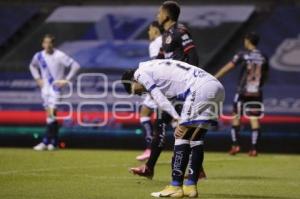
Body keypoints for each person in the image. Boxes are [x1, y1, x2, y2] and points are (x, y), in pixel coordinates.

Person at [122, 59, 225, 197]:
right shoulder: (154, 66)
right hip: (216, 87)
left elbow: (159, 98)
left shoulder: (140, 73)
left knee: (180, 136)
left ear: (132, 81)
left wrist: (177, 118)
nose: (141, 94)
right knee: (196, 139)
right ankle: (190, 186)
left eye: (137, 92)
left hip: (199, 88)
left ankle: (175, 186)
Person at [130, 0, 206, 180]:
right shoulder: (165, 36)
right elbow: (159, 60)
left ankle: (193, 170)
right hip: (171, 89)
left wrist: (191, 82)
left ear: (166, 15)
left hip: (183, 87)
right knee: (165, 125)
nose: (157, 15)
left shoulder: (181, 30)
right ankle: (151, 168)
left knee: (180, 127)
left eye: (159, 12)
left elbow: (193, 55)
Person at [214, 32, 268, 157]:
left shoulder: (243, 54)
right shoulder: (263, 56)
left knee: (236, 116)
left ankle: (235, 145)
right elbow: (265, 75)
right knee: (254, 118)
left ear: (248, 41)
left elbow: (229, 66)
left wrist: (215, 77)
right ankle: (254, 148)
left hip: (242, 91)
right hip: (256, 92)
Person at [30, 34, 80, 151]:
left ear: (53, 44)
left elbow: (76, 66)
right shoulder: (39, 56)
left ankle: (46, 141)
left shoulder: (59, 55)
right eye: (45, 43)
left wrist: (66, 80)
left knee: (51, 115)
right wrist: (38, 79)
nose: (47, 45)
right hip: (45, 90)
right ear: (43, 44)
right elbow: (32, 66)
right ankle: (54, 142)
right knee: (51, 116)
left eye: (50, 43)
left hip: (56, 89)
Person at [136, 21, 163, 161]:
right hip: (169, 82)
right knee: (170, 117)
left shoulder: (155, 44)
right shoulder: (166, 40)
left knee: (146, 113)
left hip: (159, 84)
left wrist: (152, 86)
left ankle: (150, 148)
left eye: (149, 30)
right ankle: (186, 149)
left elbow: (156, 65)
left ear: (155, 30)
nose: (148, 33)